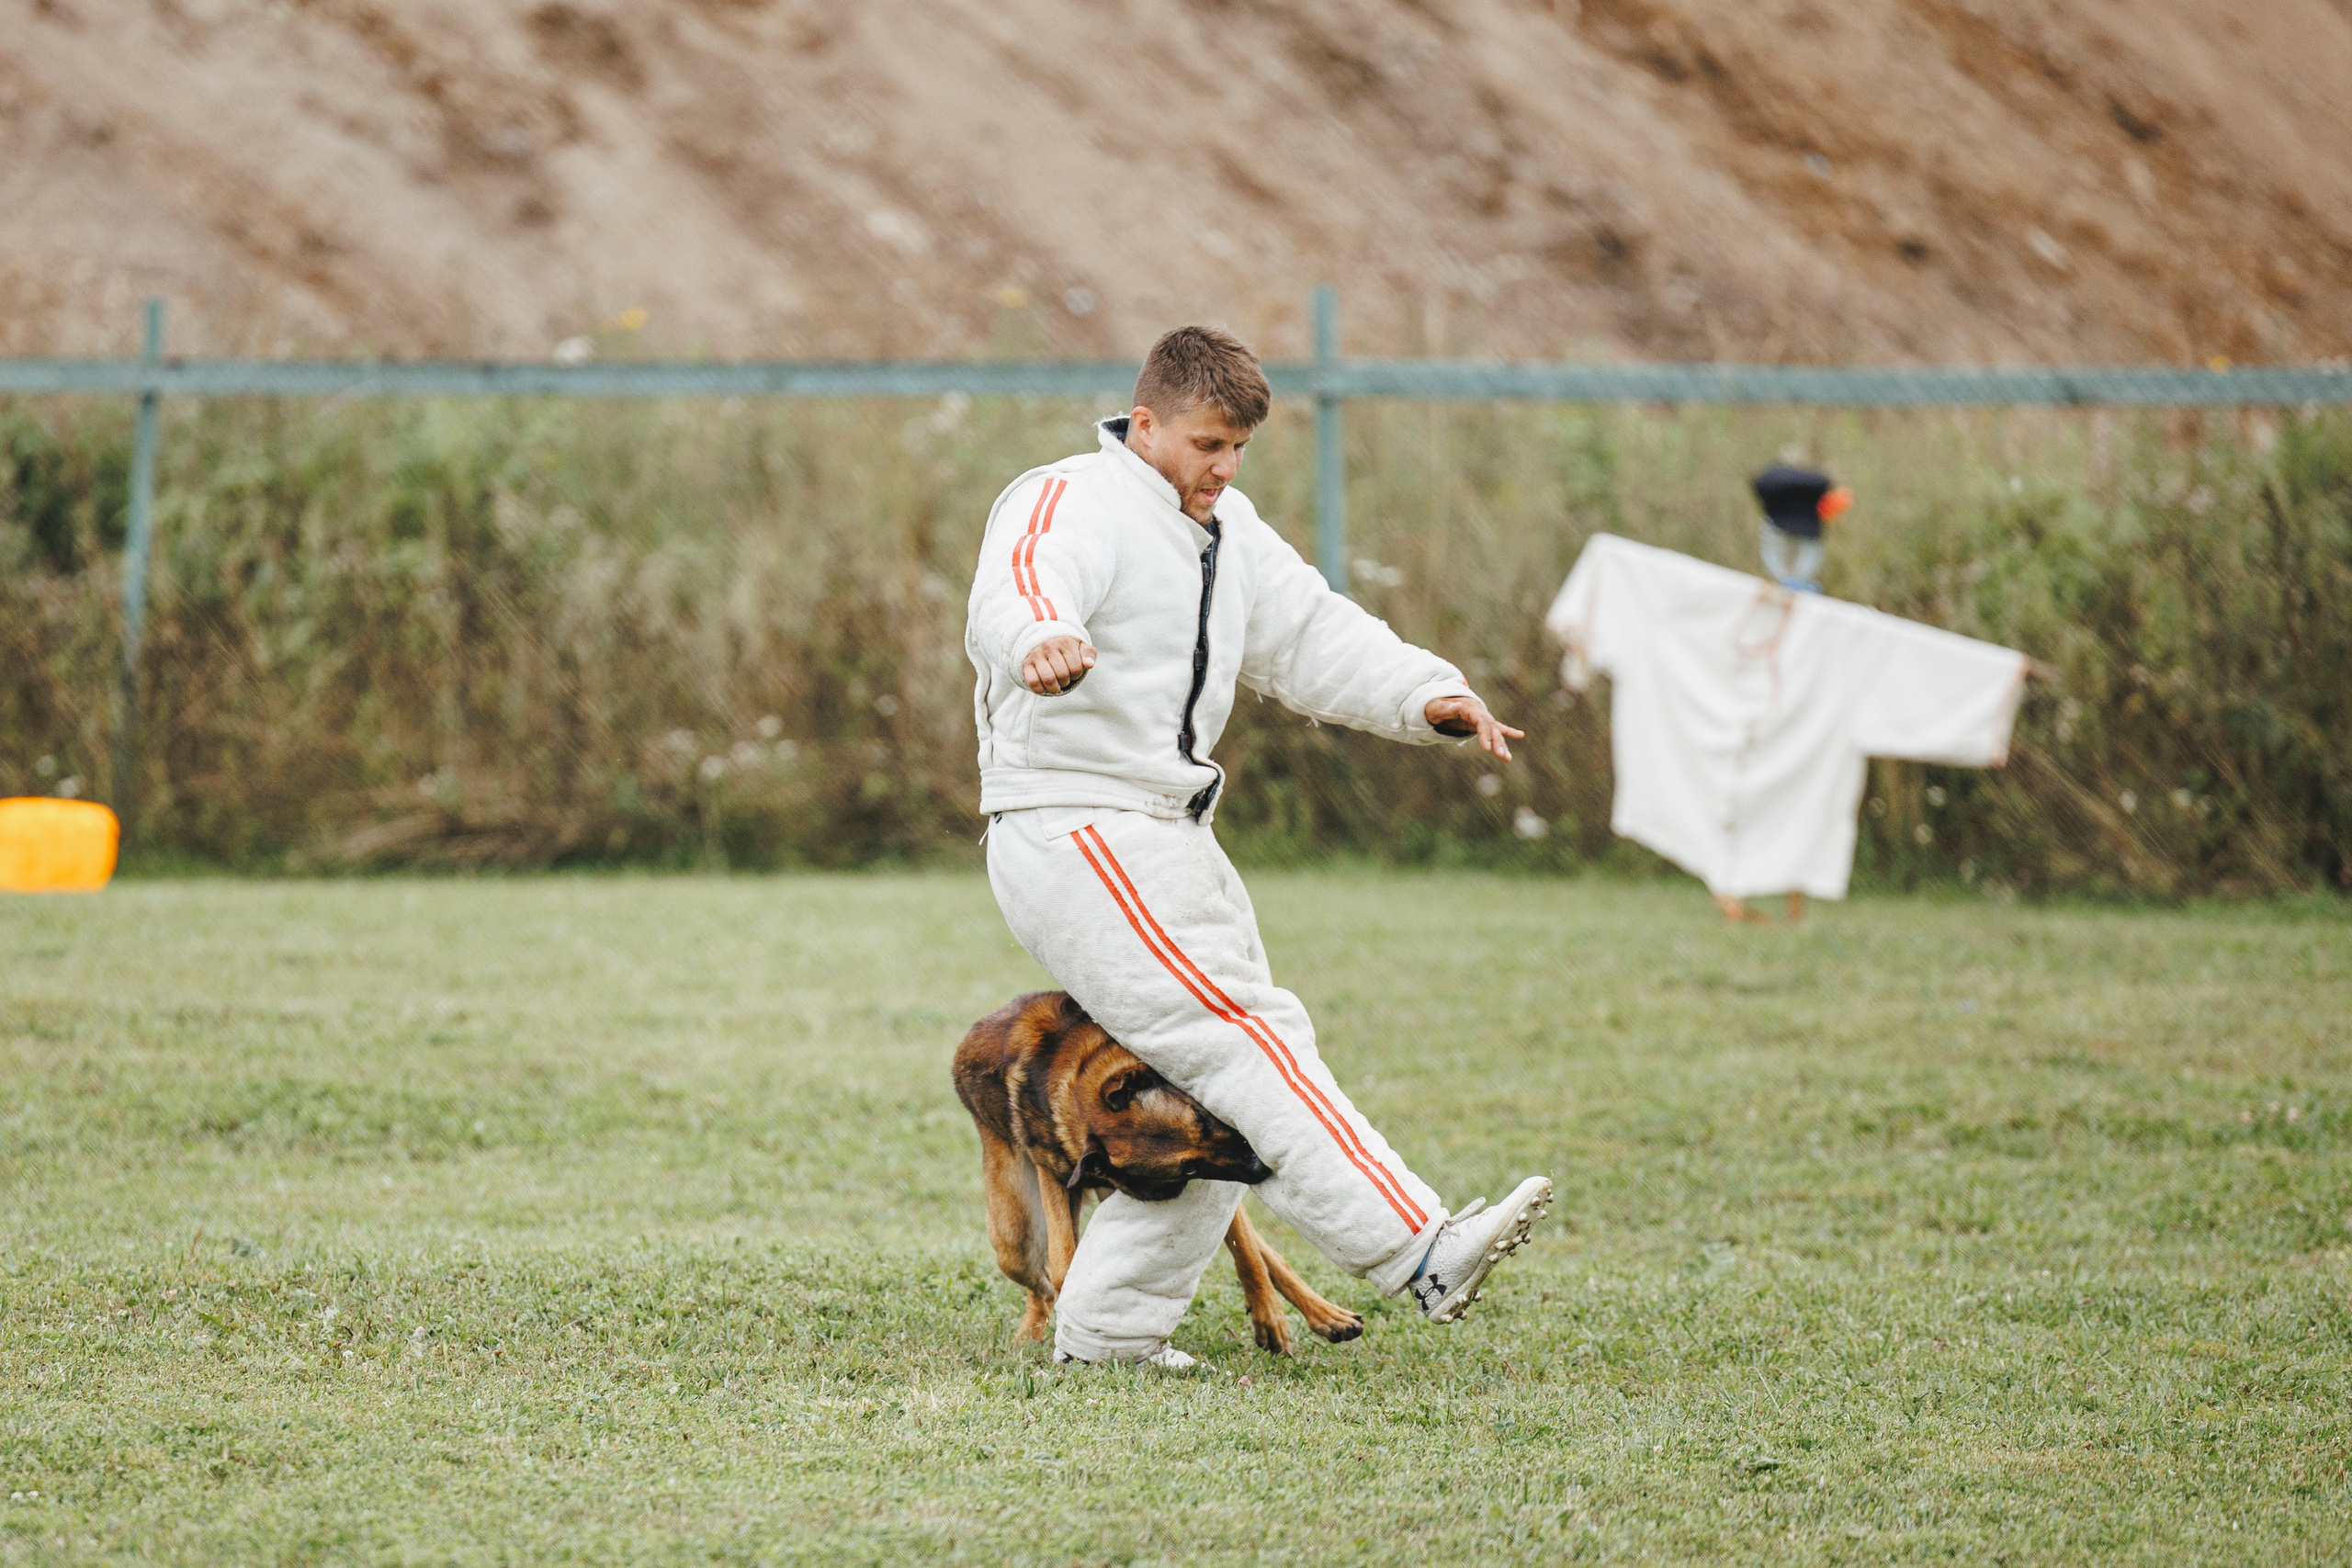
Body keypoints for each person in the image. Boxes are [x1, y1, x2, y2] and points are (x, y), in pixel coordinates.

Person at [965, 325, 1553, 1370]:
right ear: (1142, 424)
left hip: (1170, 833)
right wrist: (1036, 637)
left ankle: (1108, 1336)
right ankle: (1420, 1248)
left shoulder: (1228, 530)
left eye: (1238, 449)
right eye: (1205, 445)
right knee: (1246, 1040)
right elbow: (1017, 583)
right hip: (1076, 823)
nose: (1223, 469)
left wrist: (1429, 693)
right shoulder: (1069, 499)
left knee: (1225, 1096)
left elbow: (1314, 635)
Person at [1751, 464, 1853, 595]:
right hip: (1803, 527)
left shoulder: (1773, 479)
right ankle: (1792, 585)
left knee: (1788, 571)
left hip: (1782, 523)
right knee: (1799, 572)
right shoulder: (1818, 482)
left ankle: (1789, 585)